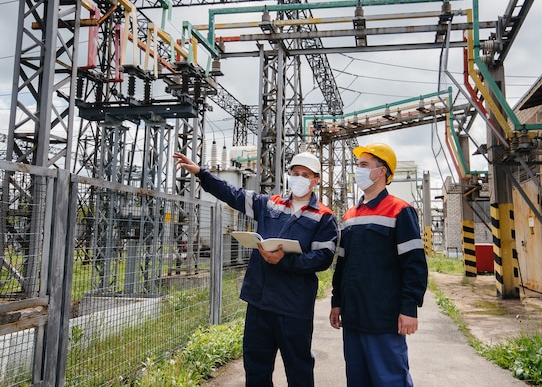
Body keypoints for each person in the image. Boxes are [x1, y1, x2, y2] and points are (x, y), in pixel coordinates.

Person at [173, 150, 338, 387]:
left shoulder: (324, 217)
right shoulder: (270, 204)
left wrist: (285, 260)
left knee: (298, 367)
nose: (299, 178)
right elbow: (233, 194)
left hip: (293, 306)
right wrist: (202, 173)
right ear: (289, 175)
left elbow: (322, 258)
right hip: (260, 302)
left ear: (315, 180)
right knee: (256, 367)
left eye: (305, 174)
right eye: (295, 173)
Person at [329, 142, 428, 387]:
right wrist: (336, 302)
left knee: (390, 380)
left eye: (364, 165)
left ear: (381, 171)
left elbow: (414, 264)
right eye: (358, 165)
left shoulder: (400, 211)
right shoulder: (350, 215)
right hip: (353, 317)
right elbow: (342, 265)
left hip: (384, 318)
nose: (358, 170)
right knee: (357, 380)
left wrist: (409, 308)